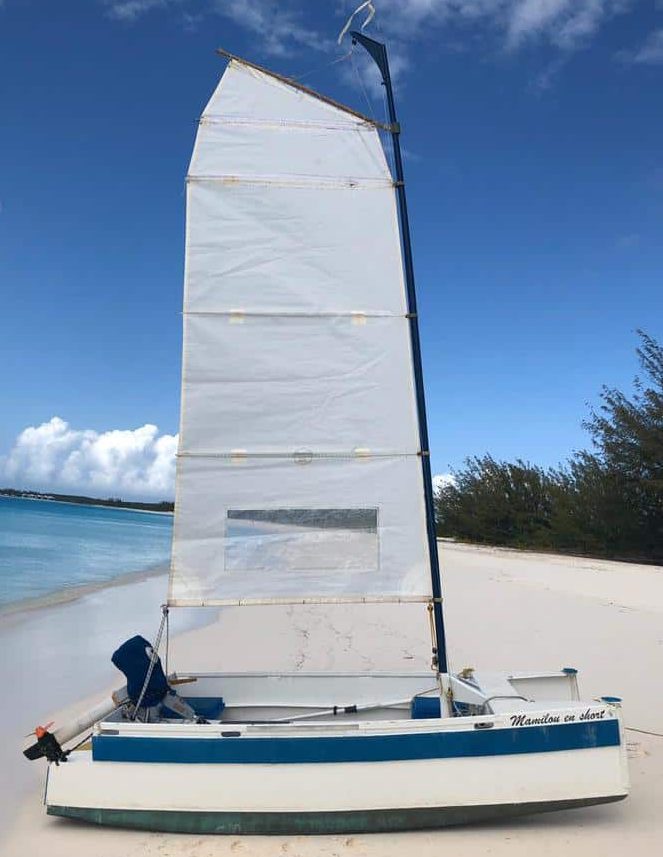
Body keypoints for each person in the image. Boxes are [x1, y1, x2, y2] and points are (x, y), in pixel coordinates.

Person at [111, 635, 205, 723]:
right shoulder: (158, 683)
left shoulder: (150, 686)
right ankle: (195, 718)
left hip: (149, 697)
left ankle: (194, 718)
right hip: (157, 693)